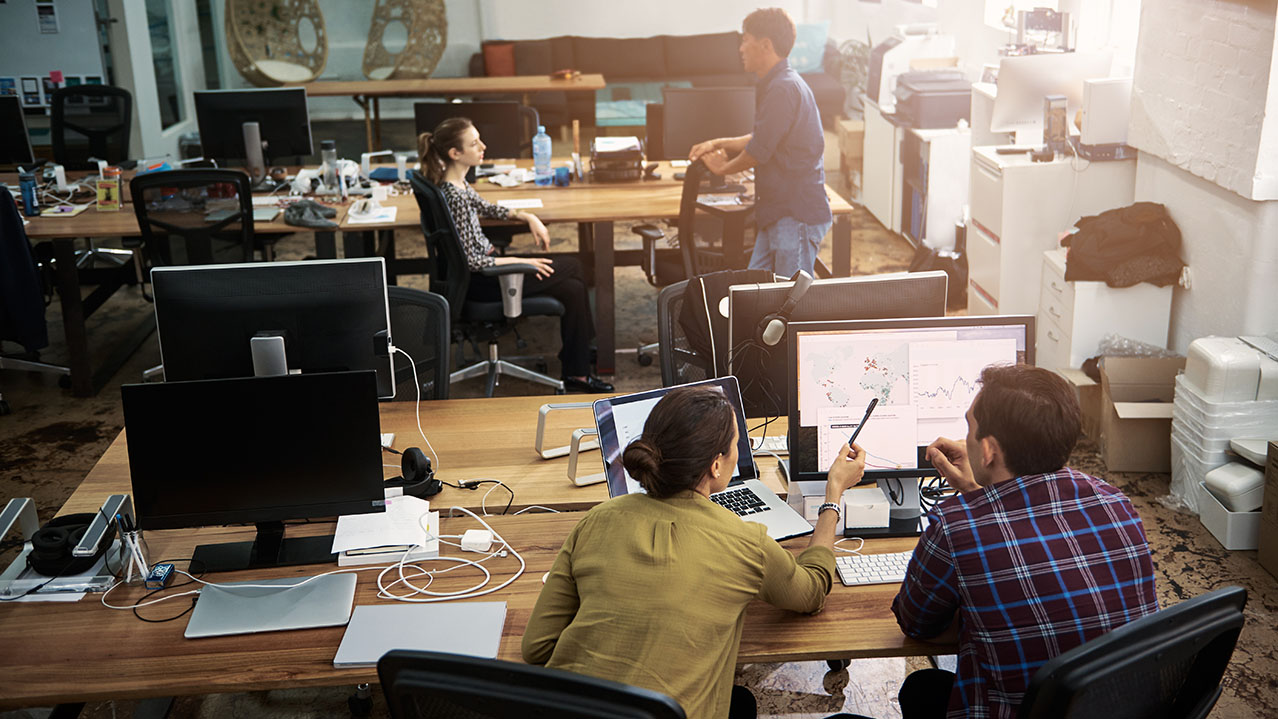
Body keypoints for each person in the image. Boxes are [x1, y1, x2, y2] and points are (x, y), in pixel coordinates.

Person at [522, 385, 866, 719]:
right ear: (716, 466)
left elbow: (537, 648)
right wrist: (833, 493)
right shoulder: (745, 542)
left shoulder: (597, 520)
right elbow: (812, 591)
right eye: (735, 445)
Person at [892, 364, 1159, 718]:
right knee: (925, 690)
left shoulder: (955, 527)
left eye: (969, 427)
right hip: (1112, 706)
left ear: (988, 451)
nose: (965, 437)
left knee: (921, 689)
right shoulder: (1113, 500)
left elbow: (916, 623)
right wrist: (977, 492)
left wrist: (972, 507)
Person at [417, 118, 612, 393]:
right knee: (576, 266)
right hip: (483, 281)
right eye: (474, 143)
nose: (483, 146)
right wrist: (522, 263)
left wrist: (526, 215)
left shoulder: (457, 184)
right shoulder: (455, 198)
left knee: (573, 287)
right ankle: (583, 354)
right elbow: (472, 261)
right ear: (455, 153)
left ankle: (577, 368)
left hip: (486, 272)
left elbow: (487, 207)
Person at [688, 7, 832, 278]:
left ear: (765, 45)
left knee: (791, 303)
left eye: (745, 40)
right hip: (778, 211)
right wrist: (720, 142)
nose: (741, 48)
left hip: (794, 213)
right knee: (755, 293)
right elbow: (766, 137)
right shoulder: (780, 83)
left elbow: (759, 151)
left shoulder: (782, 88)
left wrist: (722, 168)